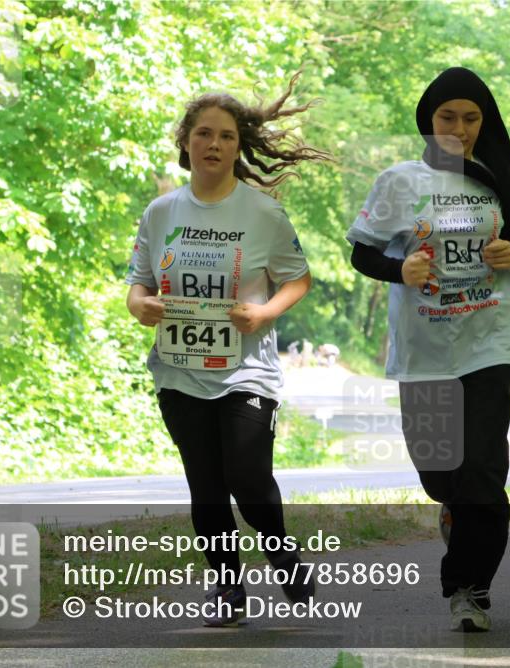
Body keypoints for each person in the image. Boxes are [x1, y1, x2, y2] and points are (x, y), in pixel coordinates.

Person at [125, 74, 329, 626]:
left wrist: (264, 313)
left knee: (247, 477)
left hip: (246, 373)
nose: (214, 145)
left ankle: (281, 553)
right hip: (178, 372)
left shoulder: (262, 214)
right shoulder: (160, 213)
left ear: (239, 148)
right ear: (185, 140)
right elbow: (139, 284)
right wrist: (139, 304)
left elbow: (298, 279)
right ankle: (227, 591)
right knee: (207, 486)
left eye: (227, 137)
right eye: (204, 134)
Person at [347, 66, 510, 632]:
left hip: (489, 339)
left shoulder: (496, 178)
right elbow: (361, 255)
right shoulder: (398, 182)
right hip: (425, 349)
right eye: (447, 117)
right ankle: (452, 513)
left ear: (486, 122)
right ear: (428, 121)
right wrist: (399, 269)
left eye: (471, 117)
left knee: (483, 470)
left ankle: (470, 588)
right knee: (439, 474)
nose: (459, 128)